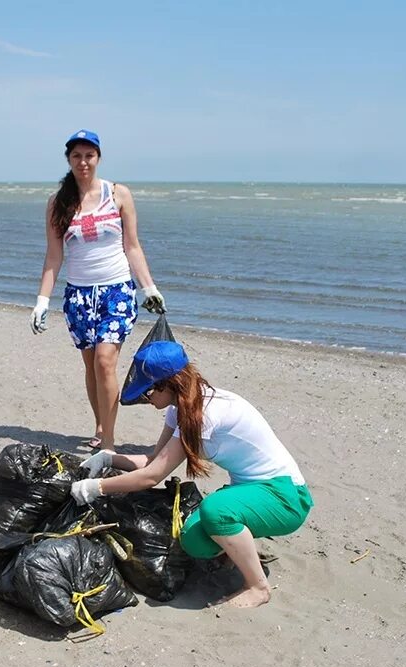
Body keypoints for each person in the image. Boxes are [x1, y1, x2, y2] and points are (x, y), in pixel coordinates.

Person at [69, 340, 313, 609]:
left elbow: (152, 478)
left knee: (215, 511)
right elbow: (152, 461)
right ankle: (238, 548)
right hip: (252, 491)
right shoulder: (179, 409)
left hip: (286, 496)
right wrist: (108, 457)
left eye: (148, 392)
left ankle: (258, 586)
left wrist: (96, 487)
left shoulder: (206, 414)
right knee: (193, 541)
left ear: (168, 384)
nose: (146, 399)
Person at [31, 129, 165, 451]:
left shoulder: (118, 194)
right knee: (91, 366)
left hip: (116, 290)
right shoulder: (57, 204)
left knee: (106, 361)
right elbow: (53, 256)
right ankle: (100, 424)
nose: (83, 162)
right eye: (76, 156)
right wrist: (41, 300)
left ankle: (108, 441)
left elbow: (132, 246)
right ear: (69, 160)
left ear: (98, 158)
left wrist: (149, 288)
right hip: (79, 295)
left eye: (89, 155)